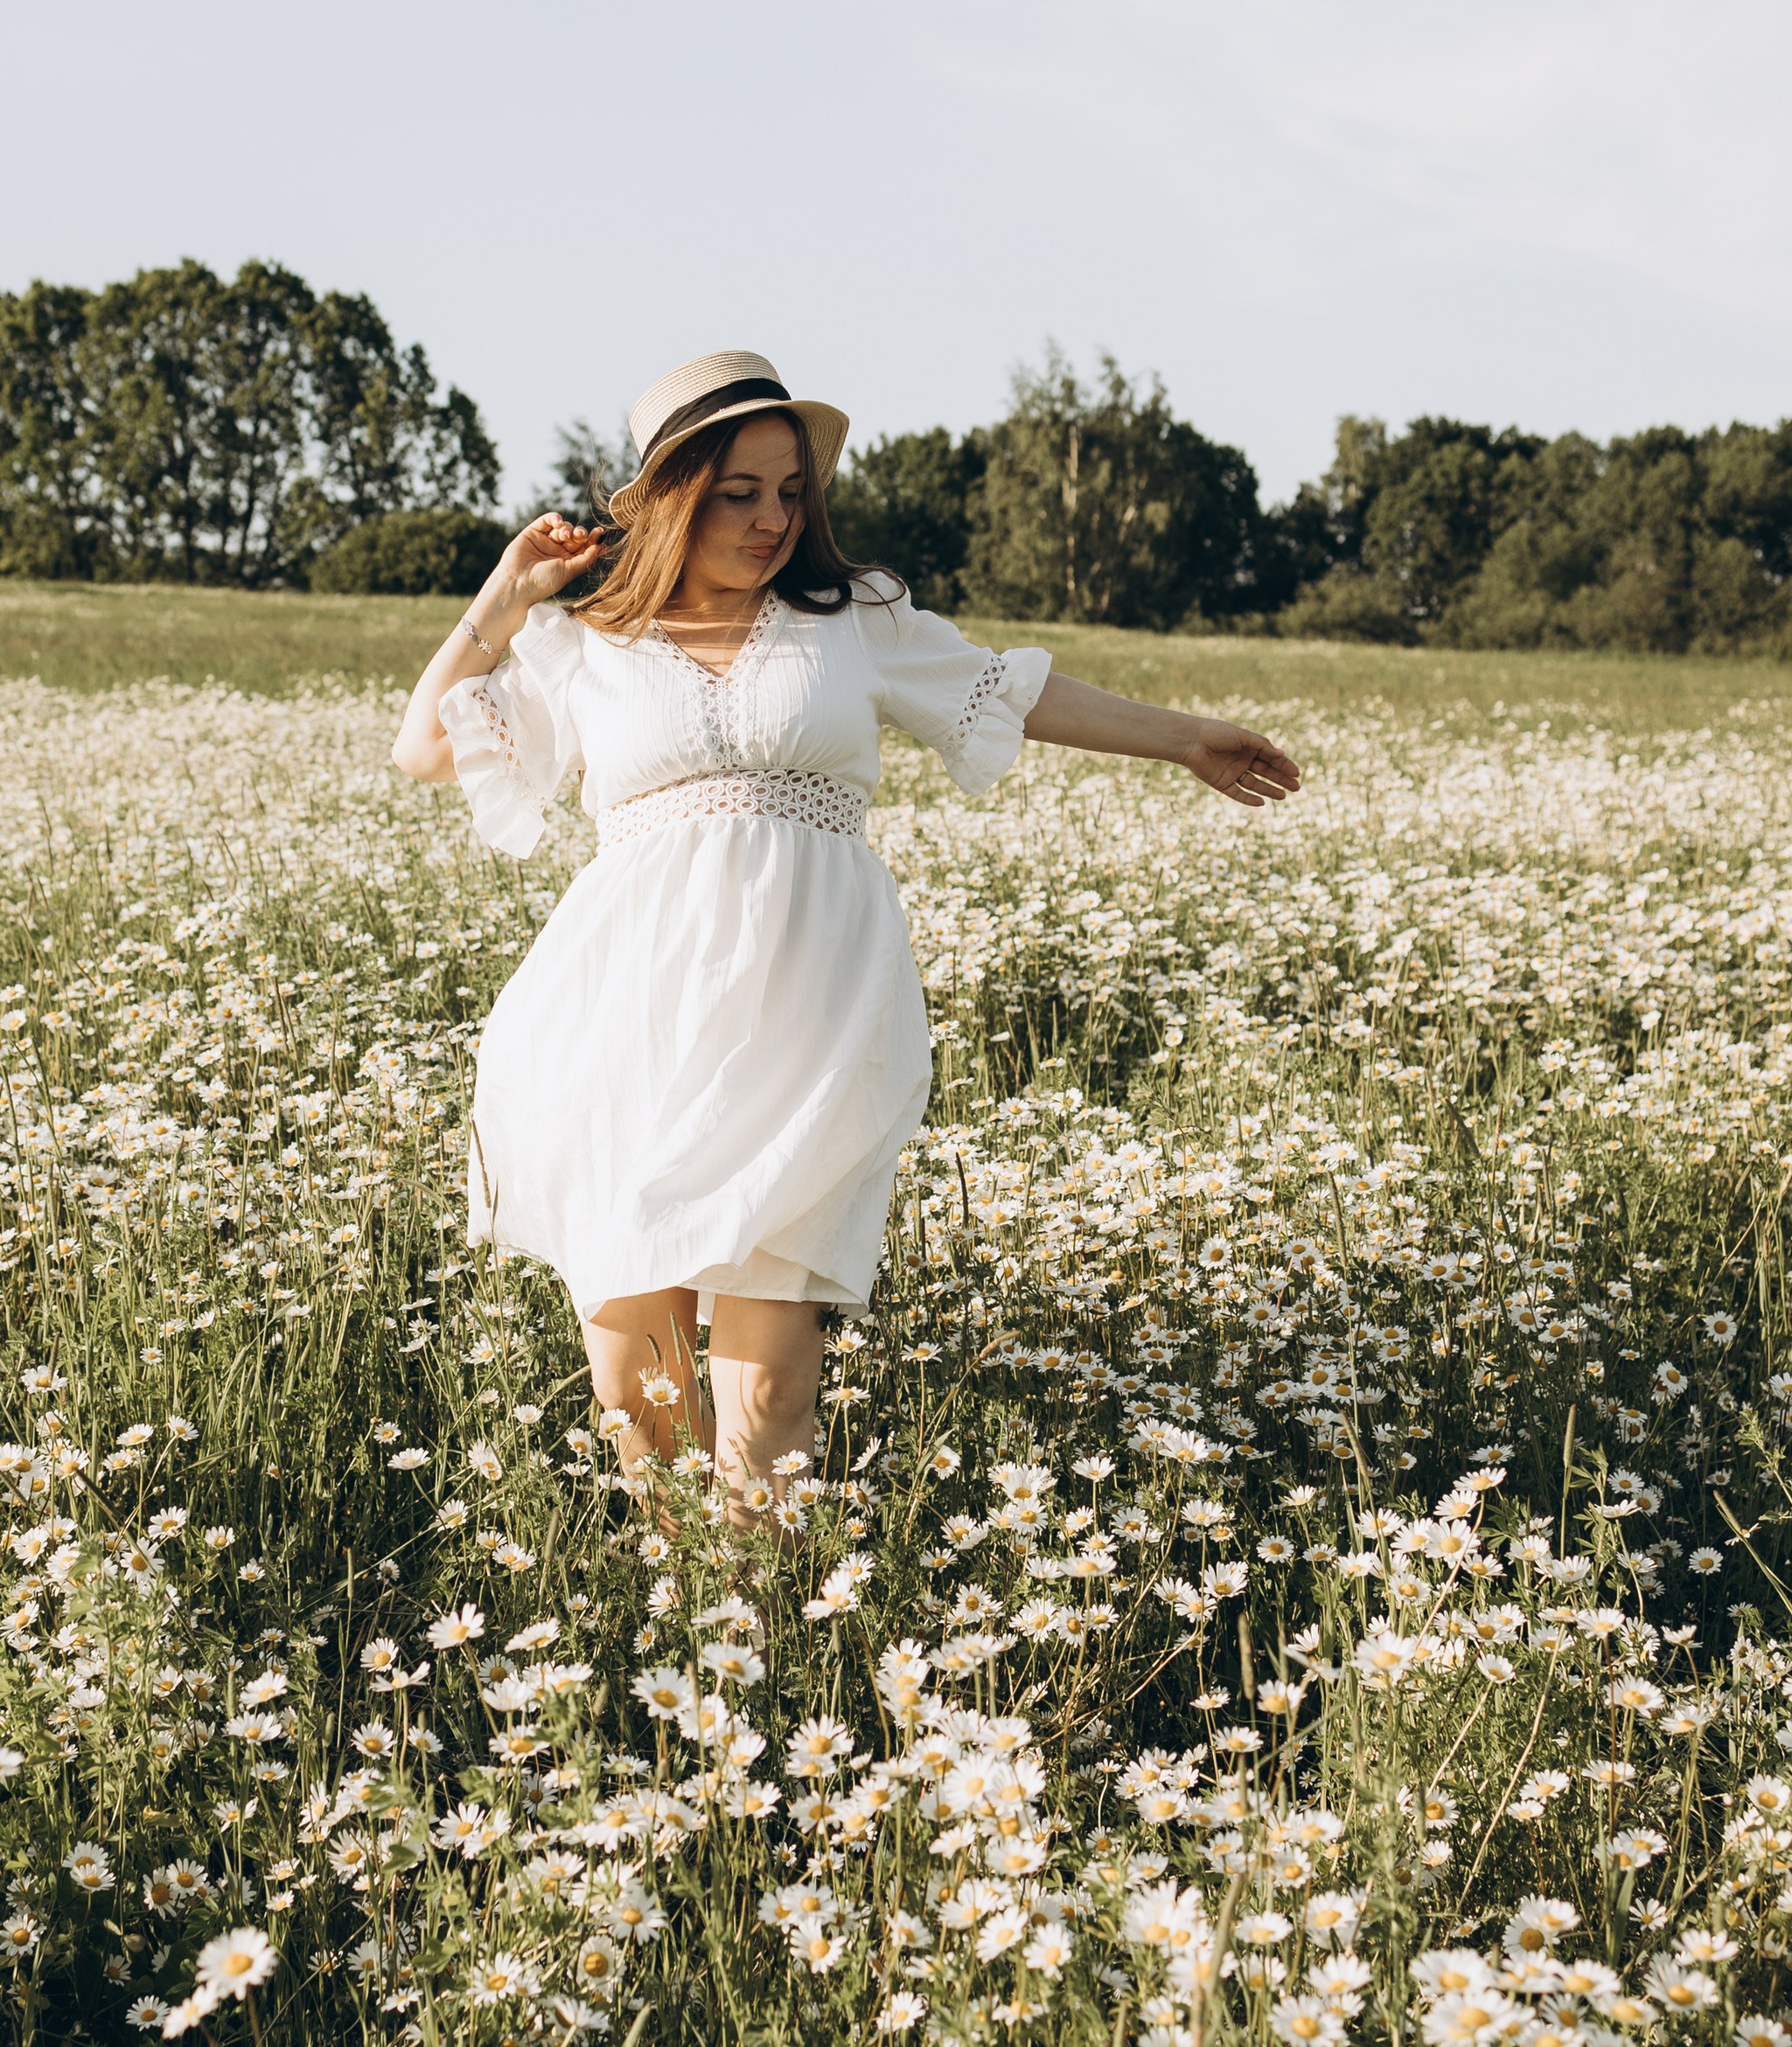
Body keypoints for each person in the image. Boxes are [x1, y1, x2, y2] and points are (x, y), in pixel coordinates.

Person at [391, 348, 1300, 1525]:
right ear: (672, 494)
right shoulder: (591, 645)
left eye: (790, 489)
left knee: (769, 1384)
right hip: (623, 1023)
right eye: (741, 491)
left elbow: (1004, 689)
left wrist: (1185, 737)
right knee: (640, 1389)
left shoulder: (848, 618)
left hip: (804, 1021)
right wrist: (505, 601)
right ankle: (693, 1628)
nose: (774, 518)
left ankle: (754, 1636)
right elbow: (425, 745)